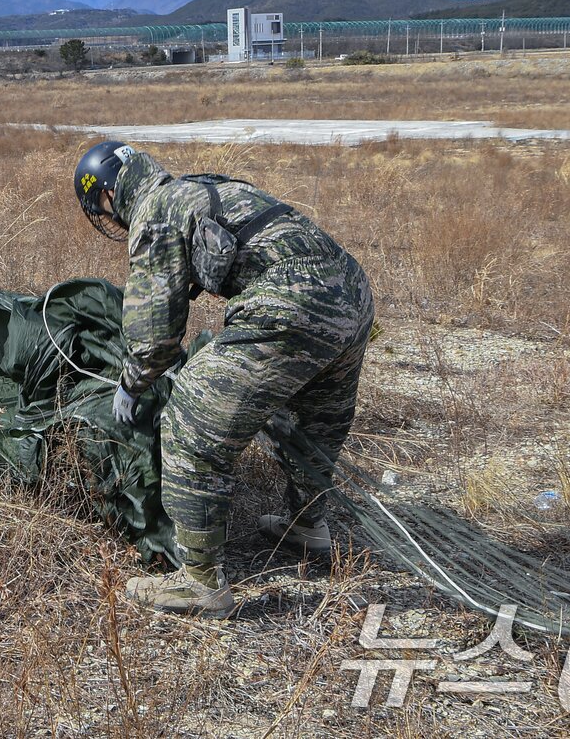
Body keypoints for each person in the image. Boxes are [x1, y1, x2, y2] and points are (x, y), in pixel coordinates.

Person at [73, 141, 375, 617]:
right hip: (352, 295)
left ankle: (200, 584)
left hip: (292, 302)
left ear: (110, 196)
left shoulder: (155, 212)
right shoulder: (199, 187)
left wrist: (131, 383)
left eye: (104, 211)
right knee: (311, 422)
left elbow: (154, 334)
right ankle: (306, 525)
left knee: (190, 425)